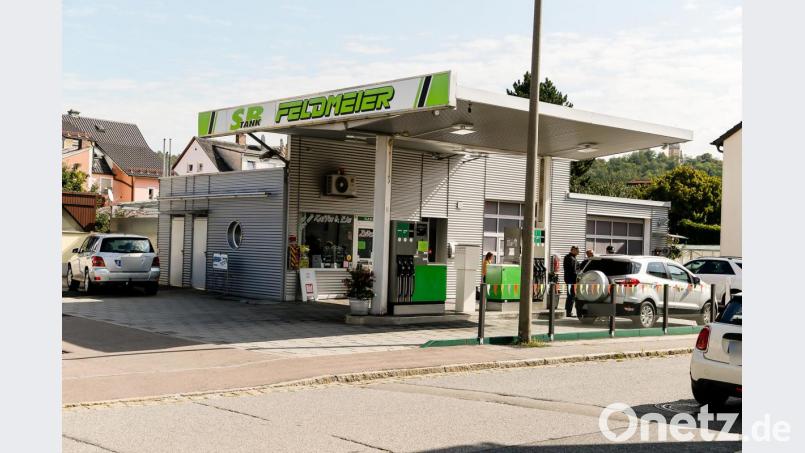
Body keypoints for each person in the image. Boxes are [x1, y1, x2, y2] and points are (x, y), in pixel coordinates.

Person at [563, 246, 580, 317]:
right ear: (573, 250)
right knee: (571, 296)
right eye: (577, 250)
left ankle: (568, 311)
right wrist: (578, 278)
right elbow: (573, 271)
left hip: (569, 279)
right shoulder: (571, 258)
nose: (578, 252)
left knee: (570, 296)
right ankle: (568, 312)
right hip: (572, 280)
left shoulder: (570, 257)